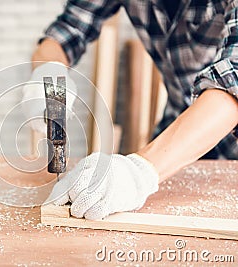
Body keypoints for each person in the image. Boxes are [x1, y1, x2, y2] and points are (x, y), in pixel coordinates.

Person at [21, 0, 238, 220]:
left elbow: (234, 78)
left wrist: (139, 172)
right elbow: (68, 30)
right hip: (173, 130)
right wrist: (49, 70)